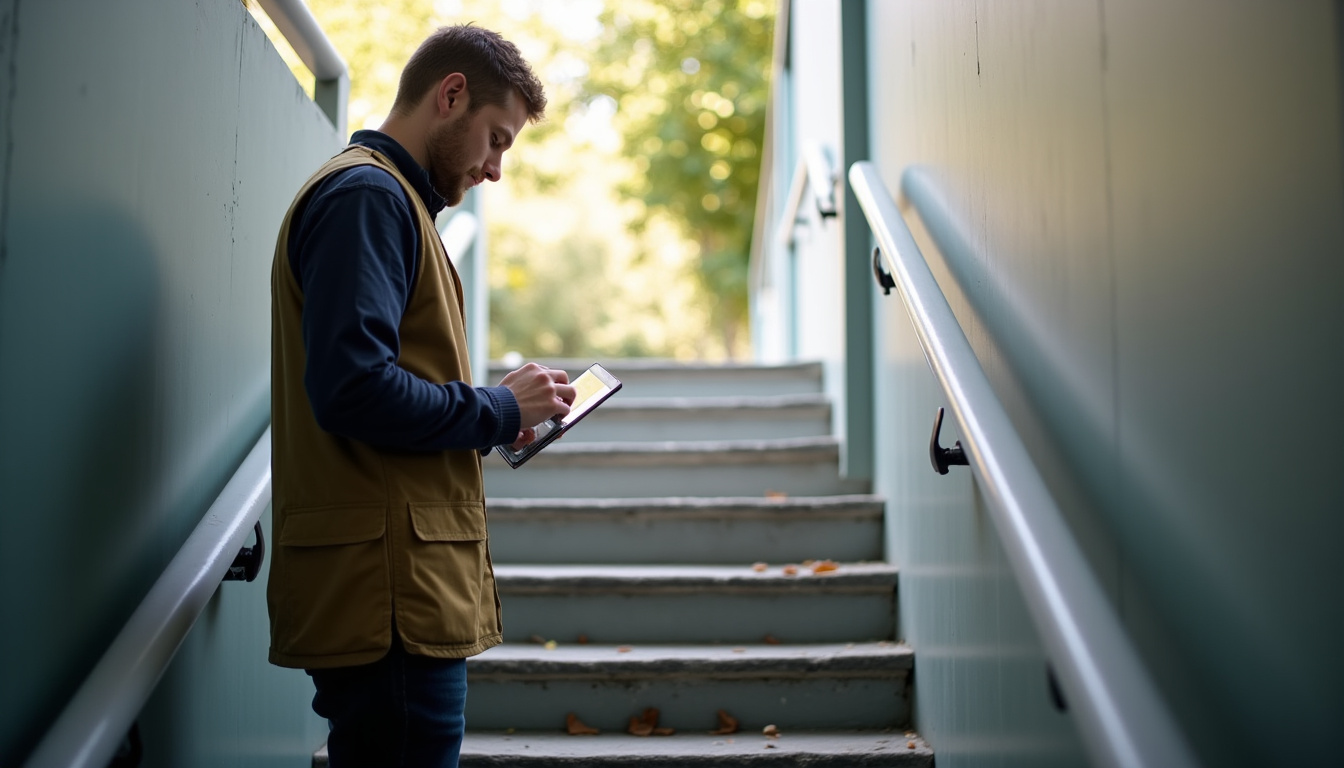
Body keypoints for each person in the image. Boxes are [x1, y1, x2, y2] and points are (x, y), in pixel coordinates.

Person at [267, 24, 574, 768]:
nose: (496, 168)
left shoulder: (386, 198)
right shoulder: (370, 197)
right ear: (452, 95)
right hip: (388, 604)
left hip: (394, 592)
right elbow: (354, 389)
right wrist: (498, 409)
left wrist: (496, 415)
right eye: (496, 139)